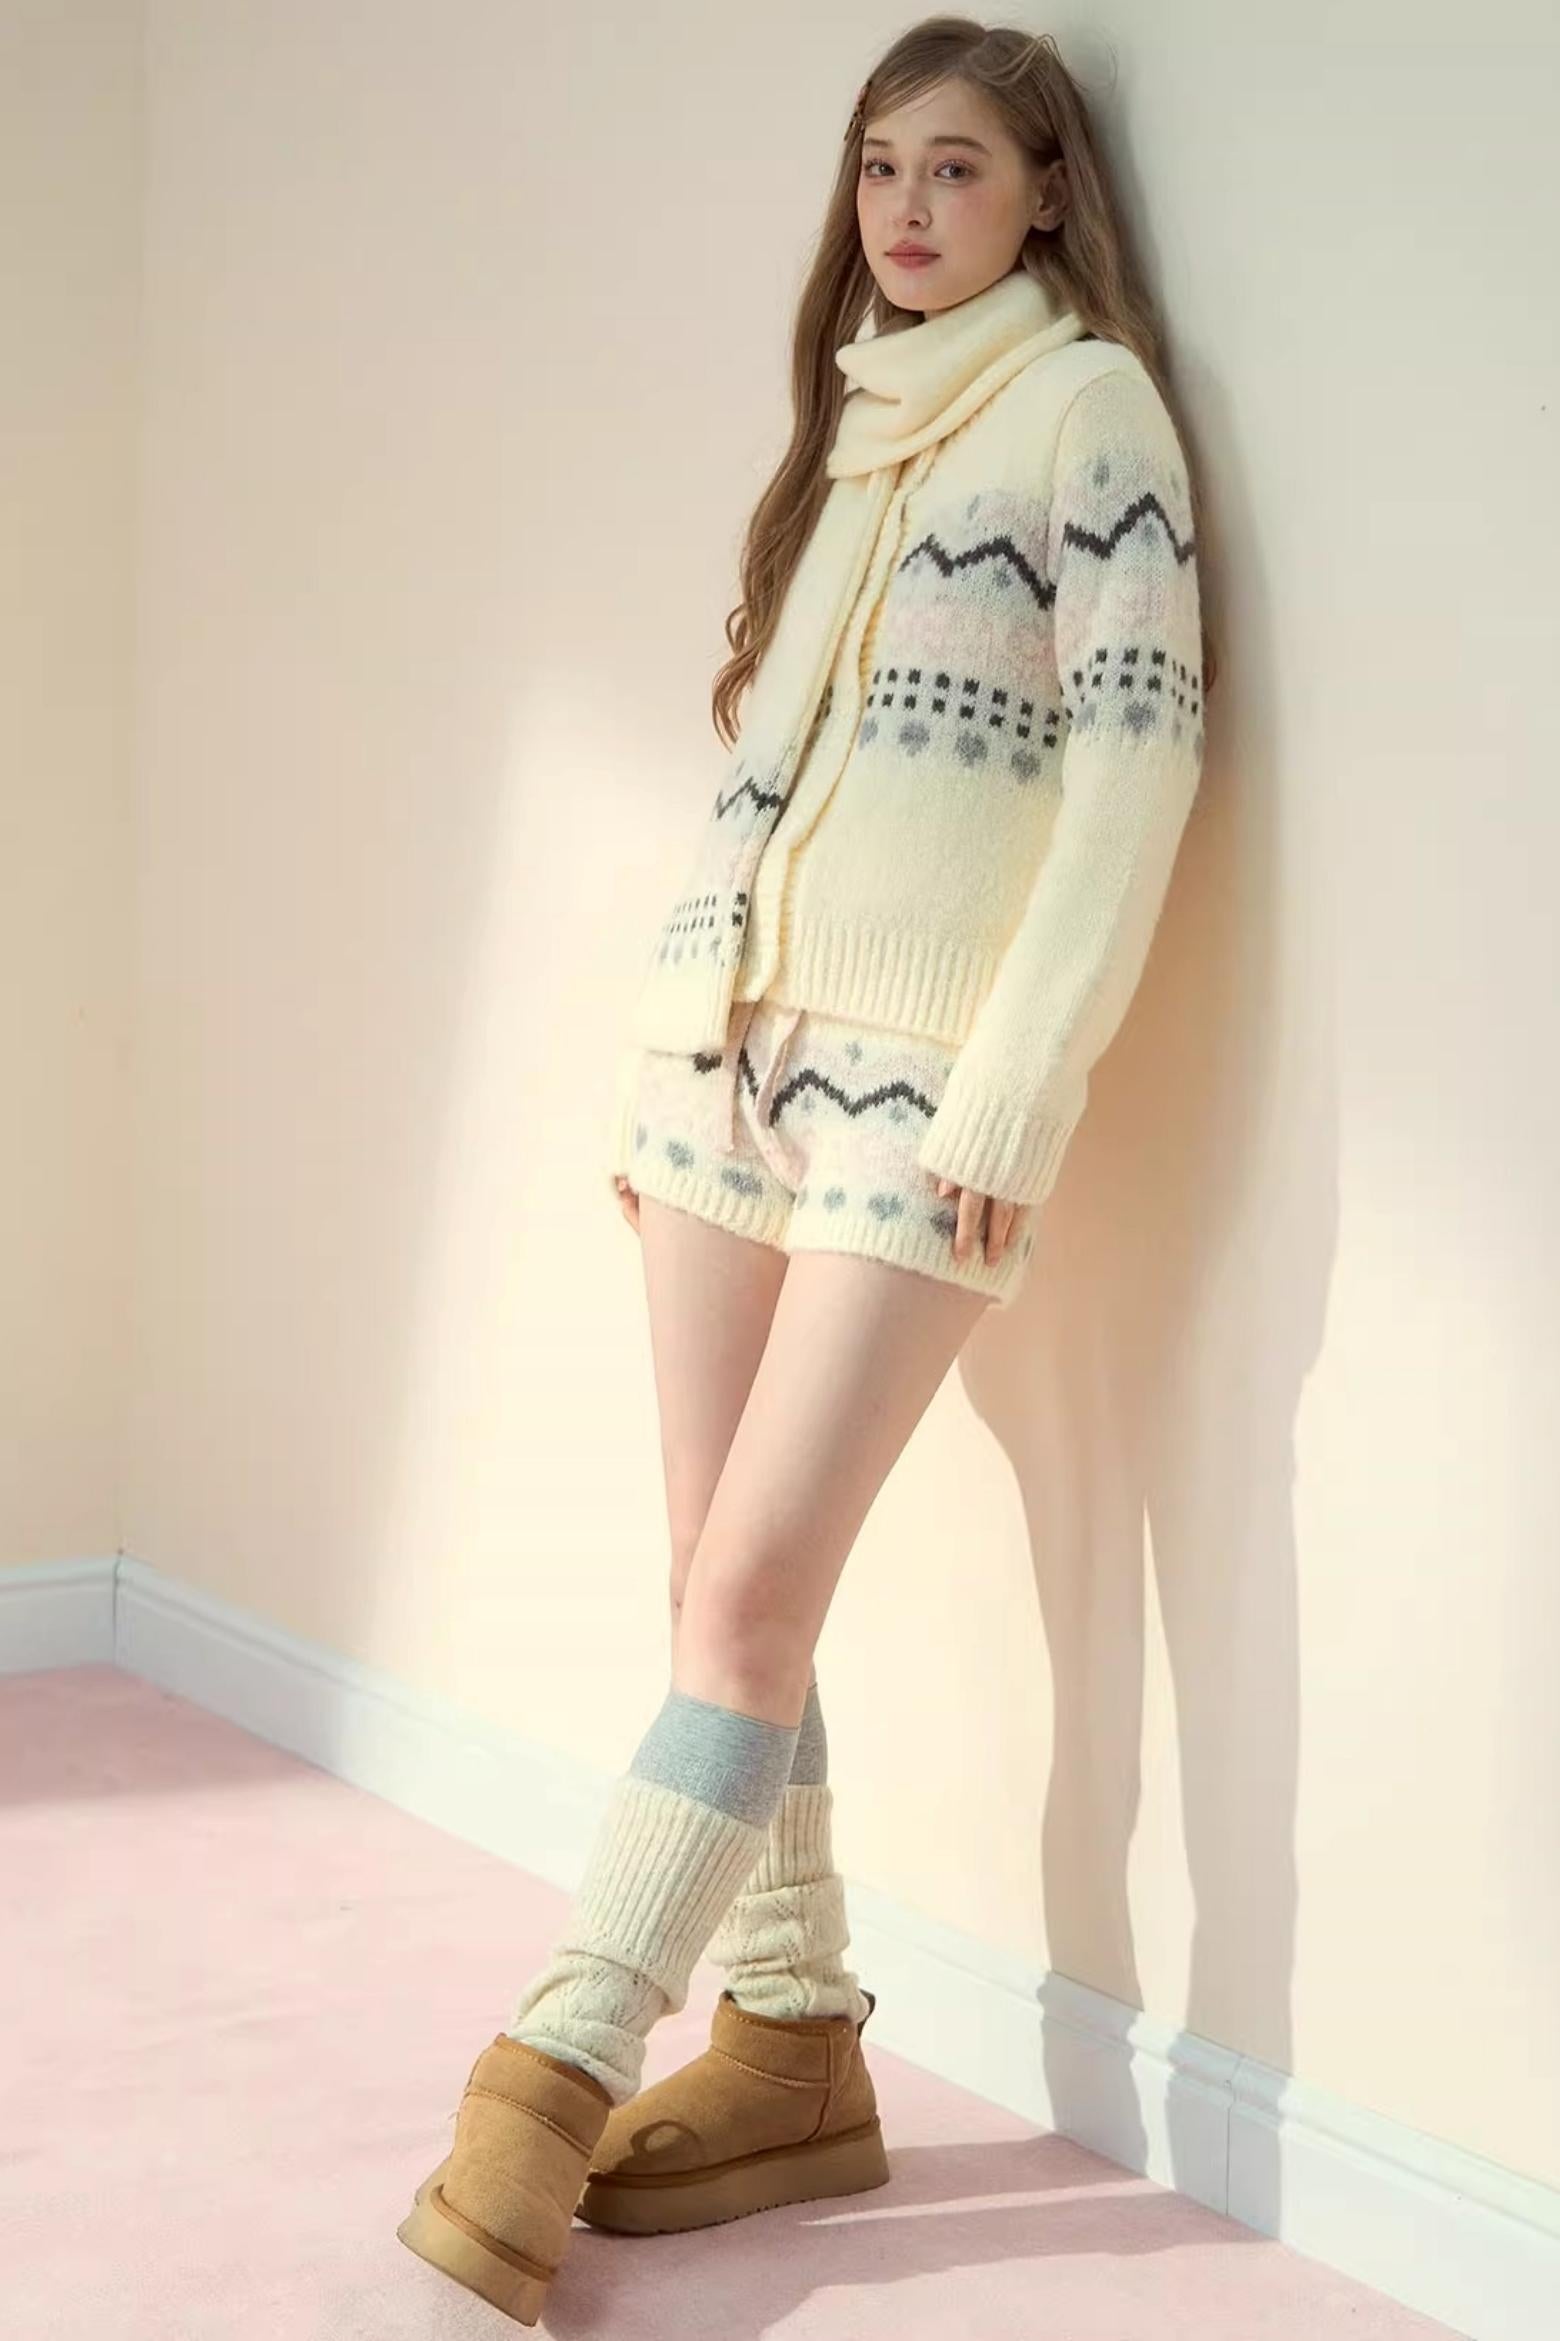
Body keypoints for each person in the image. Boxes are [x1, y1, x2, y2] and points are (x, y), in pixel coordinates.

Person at [398, 17, 1215, 2324]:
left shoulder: (1089, 417)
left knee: (752, 1589)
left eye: (954, 167)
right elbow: (763, 778)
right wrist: (673, 1042)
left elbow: (1141, 766)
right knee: (711, 1583)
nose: (907, 208)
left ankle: (548, 2076)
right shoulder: (856, 426)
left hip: (920, 1091)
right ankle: (789, 2031)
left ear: (1044, 191)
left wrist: (1016, 1090)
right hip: (723, 1066)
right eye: (878, 166)